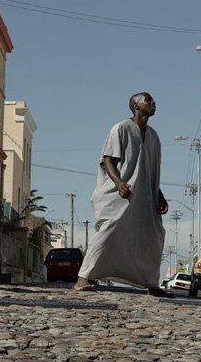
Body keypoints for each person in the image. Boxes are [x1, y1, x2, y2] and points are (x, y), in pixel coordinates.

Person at [74, 93, 173, 297]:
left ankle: (152, 285)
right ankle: (83, 277)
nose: (154, 103)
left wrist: (159, 195)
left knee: (153, 235)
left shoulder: (154, 136)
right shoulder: (120, 128)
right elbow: (108, 160)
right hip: (120, 193)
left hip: (146, 197)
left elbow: (149, 169)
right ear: (136, 106)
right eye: (148, 100)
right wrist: (119, 183)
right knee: (108, 231)